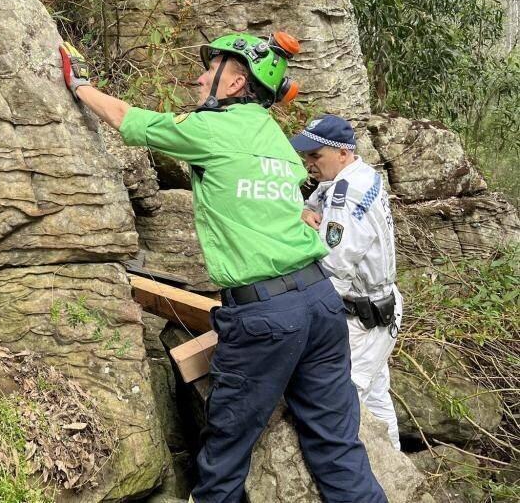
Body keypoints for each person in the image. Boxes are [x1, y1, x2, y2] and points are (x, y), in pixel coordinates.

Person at [59, 35, 387, 503]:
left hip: (265, 317)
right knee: (337, 446)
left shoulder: (211, 128)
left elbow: (130, 121)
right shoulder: (273, 135)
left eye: (211, 67)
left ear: (234, 83)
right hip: (321, 305)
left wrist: (79, 85)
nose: (199, 75)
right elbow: (293, 199)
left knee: (225, 454)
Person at [291, 115, 402, 449]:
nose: (308, 162)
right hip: (378, 307)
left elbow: (333, 266)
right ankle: (396, 465)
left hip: (365, 317)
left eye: (315, 155)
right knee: (378, 393)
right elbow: (314, 205)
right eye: (306, 155)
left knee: (345, 397)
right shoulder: (359, 174)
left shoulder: (346, 194)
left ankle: (365, 474)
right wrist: (301, 213)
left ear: (343, 152)